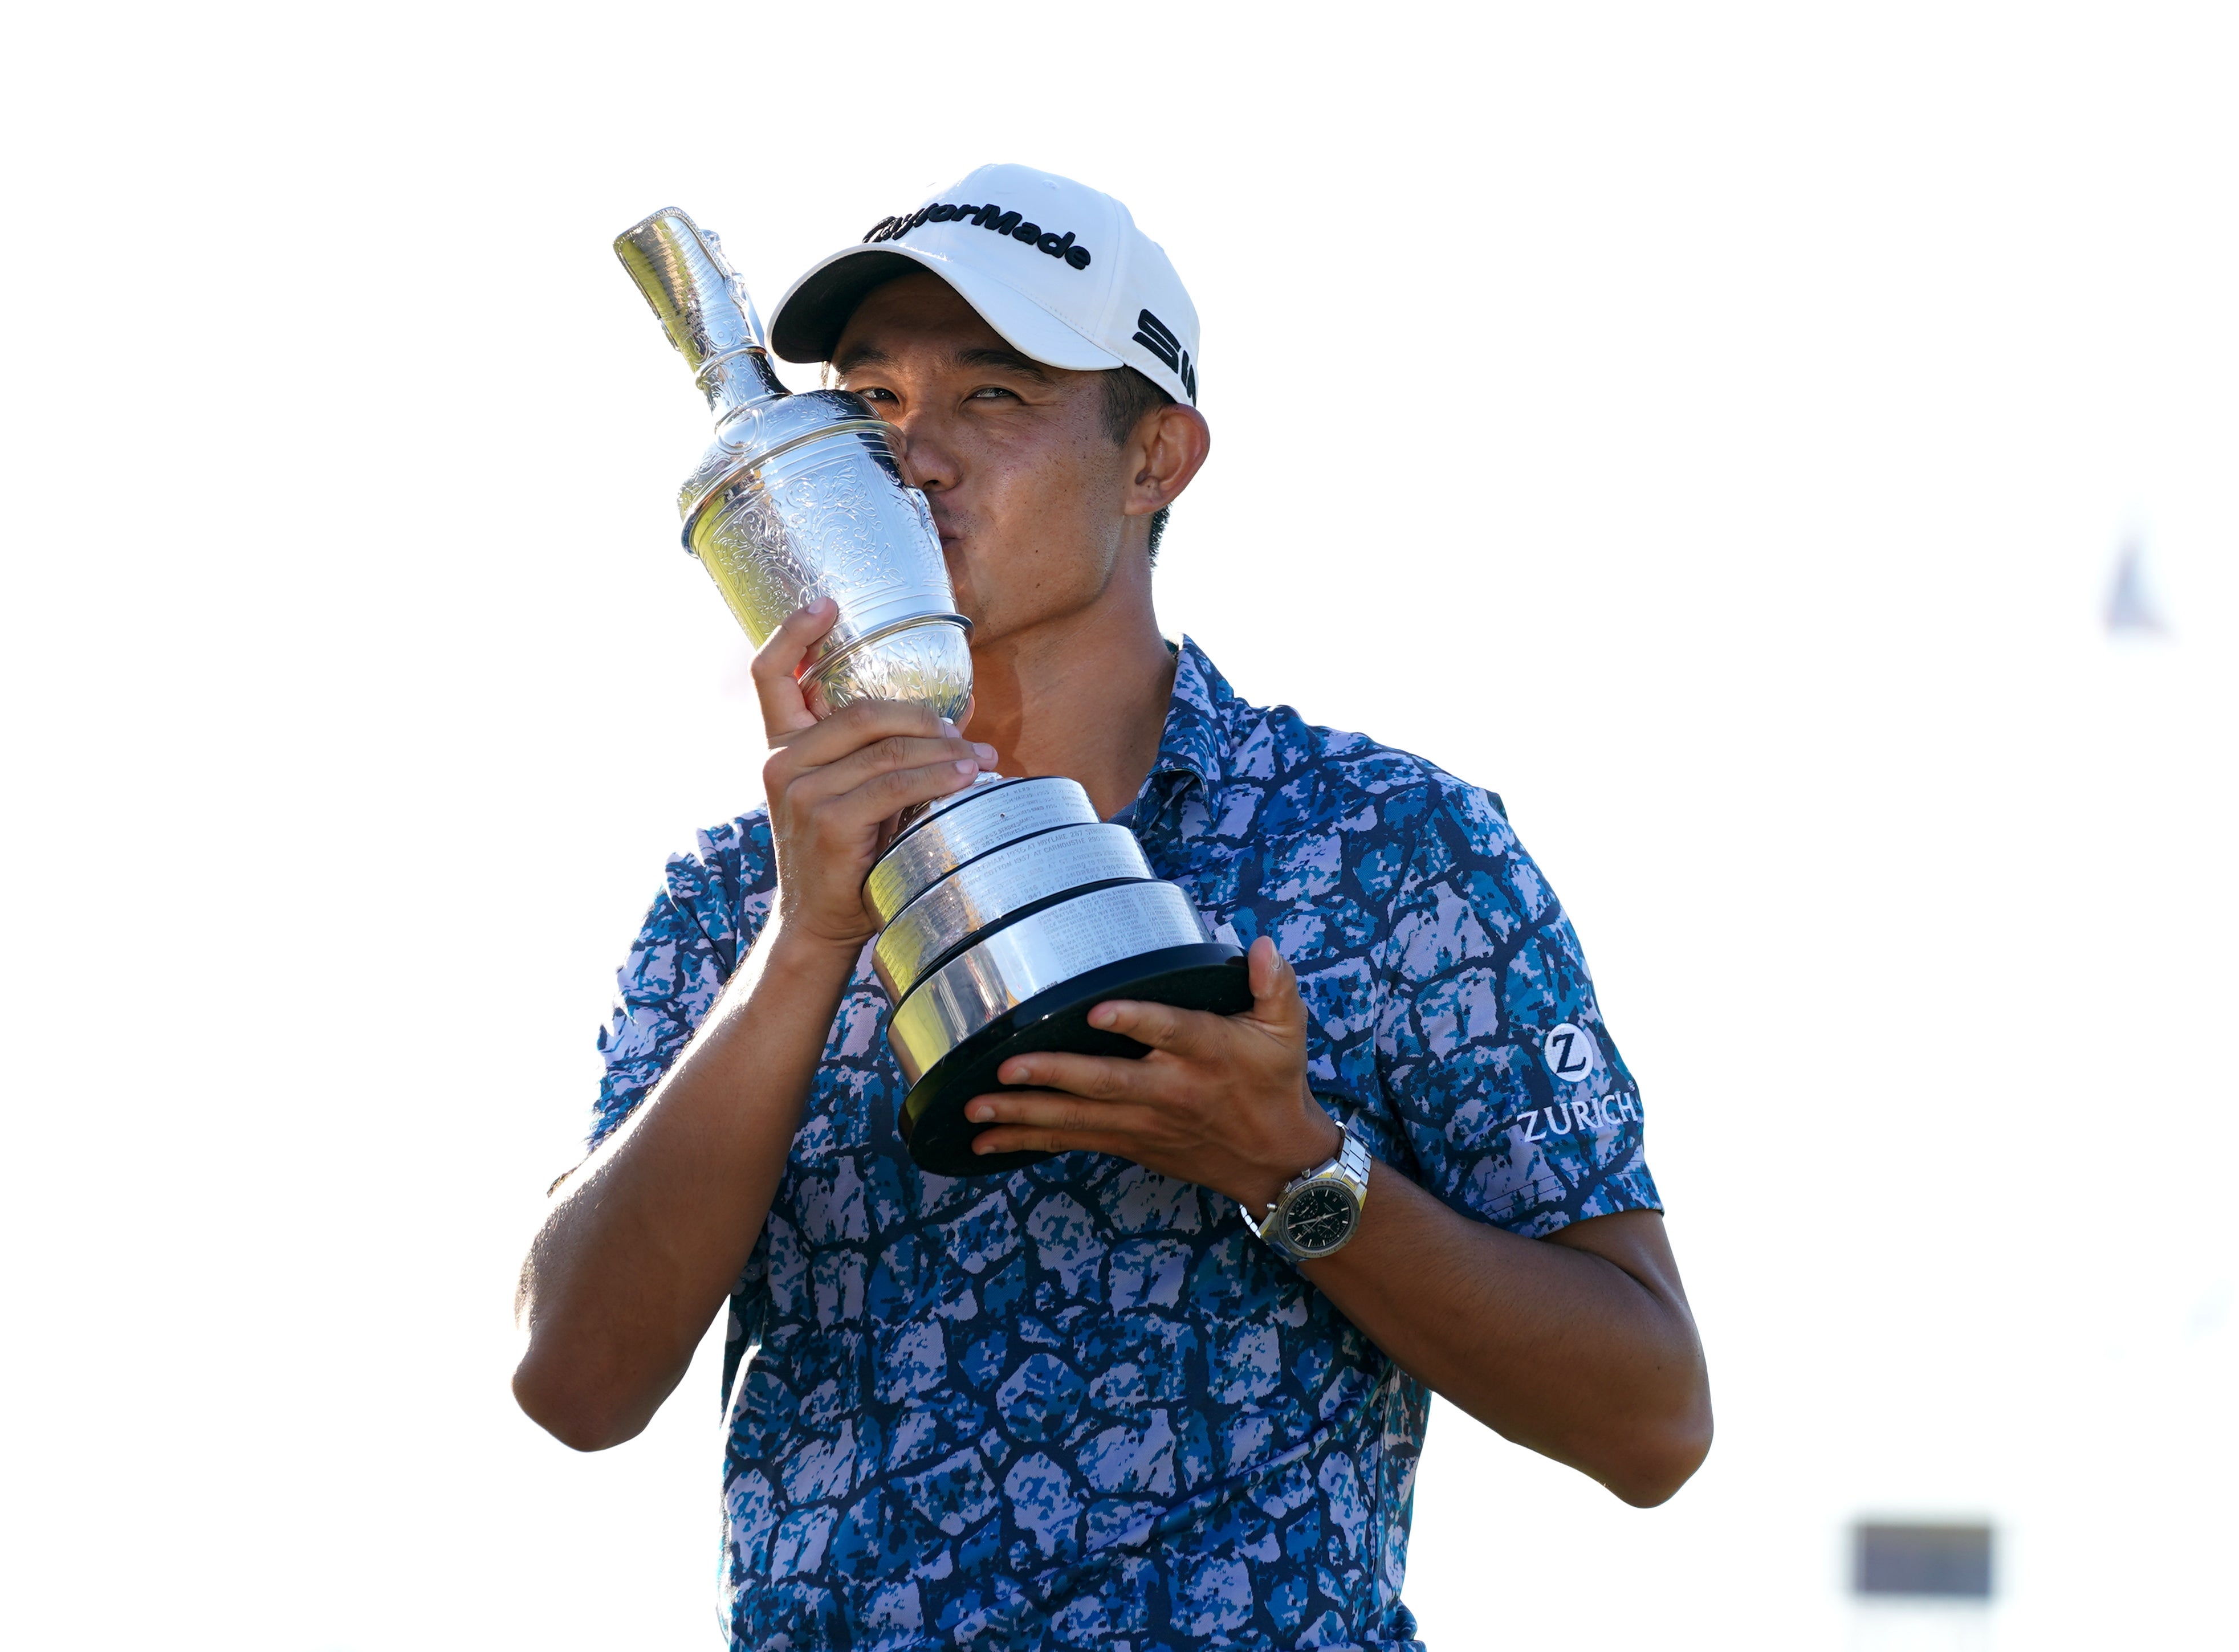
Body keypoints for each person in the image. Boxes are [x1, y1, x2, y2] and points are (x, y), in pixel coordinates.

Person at [514, 163, 1711, 1650]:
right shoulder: (731, 899)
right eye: (875, 401)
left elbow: (1653, 1417)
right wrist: (808, 937)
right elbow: (574, 1379)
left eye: (995, 398)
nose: (917, 456)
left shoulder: (1397, 852)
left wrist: (1293, 1168)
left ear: (1157, 455)